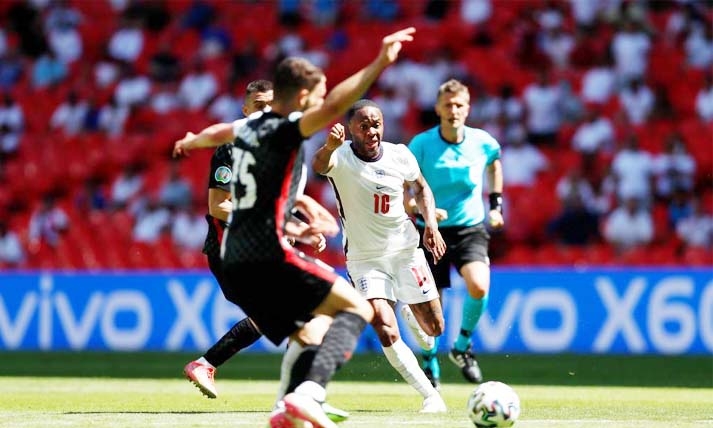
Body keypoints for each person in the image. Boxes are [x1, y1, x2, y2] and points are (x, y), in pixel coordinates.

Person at [173, 27, 416, 428]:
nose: (321, 101)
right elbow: (342, 100)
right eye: (316, 95)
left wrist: (191, 140)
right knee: (357, 307)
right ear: (302, 97)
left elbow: (218, 132)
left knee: (310, 327)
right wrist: (380, 62)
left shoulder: (245, 130)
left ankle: (288, 407)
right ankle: (308, 395)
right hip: (268, 252)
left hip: (236, 257)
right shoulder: (288, 128)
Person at [177, 79, 348, 423]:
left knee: (302, 314)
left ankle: (297, 396)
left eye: (270, 105)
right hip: (232, 252)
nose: (265, 112)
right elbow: (218, 205)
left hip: (259, 250)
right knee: (308, 310)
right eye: (258, 106)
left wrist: (299, 224)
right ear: (245, 111)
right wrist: (290, 227)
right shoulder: (231, 148)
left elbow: (277, 202)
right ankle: (299, 397)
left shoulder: (276, 149)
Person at [311, 100, 447, 413]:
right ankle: (431, 396)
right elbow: (319, 165)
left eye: (377, 124)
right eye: (364, 125)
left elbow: (421, 188)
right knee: (384, 325)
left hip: (405, 251)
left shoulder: (399, 154)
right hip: (364, 260)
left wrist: (432, 227)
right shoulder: (340, 156)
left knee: (434, 330)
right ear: (350, 129)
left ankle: (412, 313)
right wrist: (329, 146)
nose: (372, 131)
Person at [406, 78, 504, 388]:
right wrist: (421, 210)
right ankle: (429, 358)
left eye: (459, 104)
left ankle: (462, 347)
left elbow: (494, 164)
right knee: (433, 309)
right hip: (429, 231)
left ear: (468, 108)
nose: (453, 110)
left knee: (478, 285)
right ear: (437, 108)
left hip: (469, 228)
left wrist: (496, 205)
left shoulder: (483, 143)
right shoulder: (421, 145)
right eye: (447, 105)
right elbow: (405, 192)